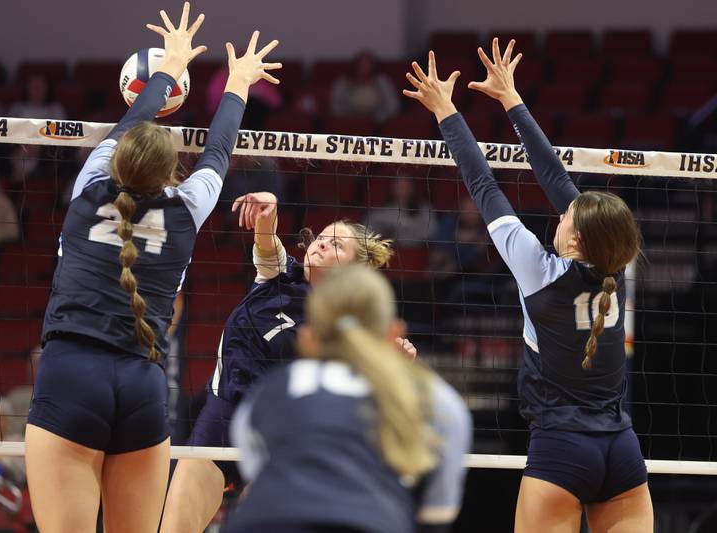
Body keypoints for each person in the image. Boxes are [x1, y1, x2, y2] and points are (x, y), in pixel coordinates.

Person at [24, 3, 282, 531]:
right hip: (143, 386)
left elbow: (133, 121)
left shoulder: (89, 188)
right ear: (172, 173)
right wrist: (238, 81)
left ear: (117, 161)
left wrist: (170, 66)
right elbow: (219, 149)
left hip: (71, 372)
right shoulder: (187, 210)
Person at [404, 41, 652, 532]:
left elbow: (483, 185)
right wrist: (511, 99)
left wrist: (446, 110)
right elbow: (554, 175)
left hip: (562, 449)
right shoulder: (615, 266)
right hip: (622, 450)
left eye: (566, 216)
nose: (560, 213)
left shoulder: (539, 270)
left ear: (576, 236)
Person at [161, 192, 416, 533]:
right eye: (323, 238)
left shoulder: (349, 327)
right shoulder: (279, 274)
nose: (323, 244)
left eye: (337, 246)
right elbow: (266, 238)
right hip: (220, 422)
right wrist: (269, 207)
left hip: (281, 439)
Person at [223, 264, 471, 533]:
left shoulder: (270, 390)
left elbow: (260, 476)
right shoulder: (434, 397)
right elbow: (436, 516)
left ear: (308, 338)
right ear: (395, 333)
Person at [330, 50, 400, 124]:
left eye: (367, 65)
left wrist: (377, 118)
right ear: (355, 66)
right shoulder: (343, 82)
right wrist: (352, 117)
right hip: (348, 122)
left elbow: (392, 106)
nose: (364, 68)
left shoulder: (382, 81)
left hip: (378, 123)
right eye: (361, 64)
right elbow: (336, 106)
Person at [365, 176, 437, 247]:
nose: (401, 188)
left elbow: (431, 232)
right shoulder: (381, 212)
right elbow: (368, 231)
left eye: (405, 186)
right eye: (398, 185)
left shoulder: (425, 209)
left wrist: (404, 231)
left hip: (417, 251)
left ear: (412, 188)